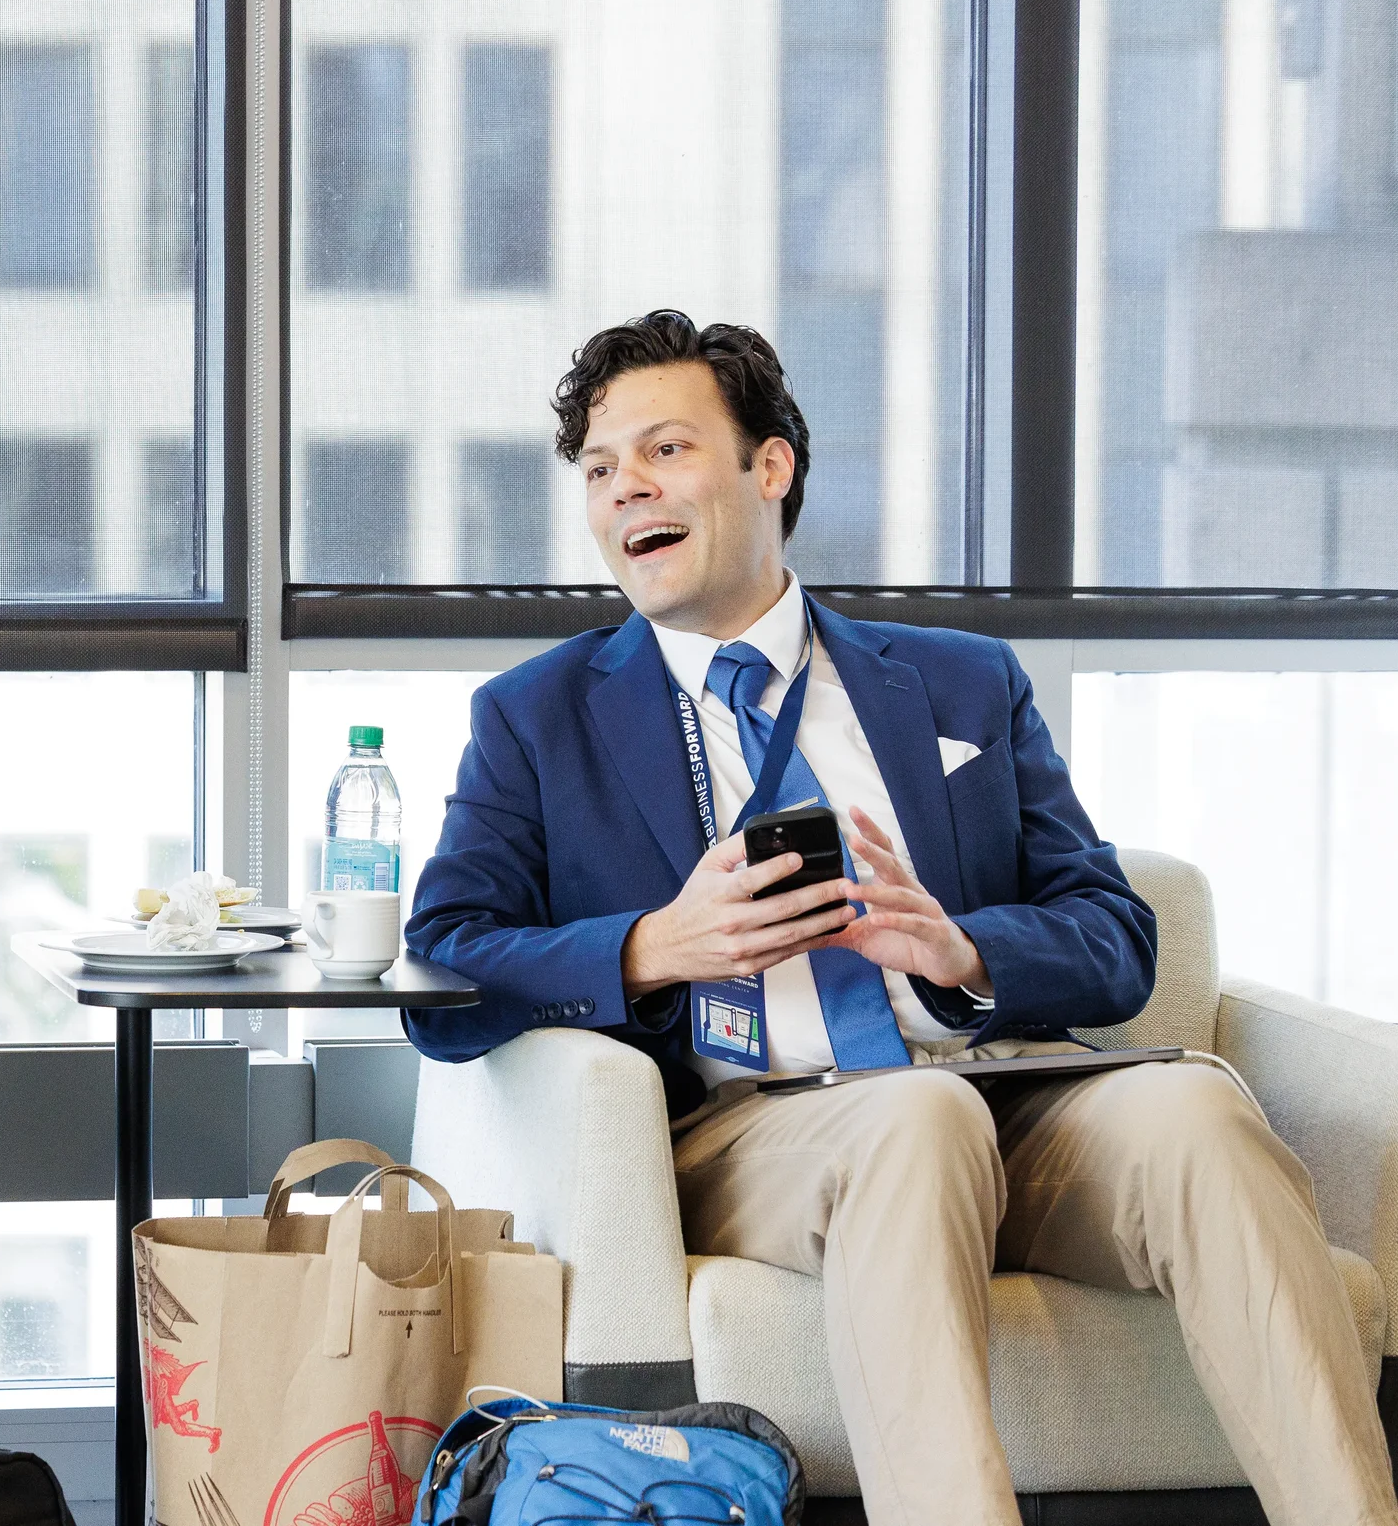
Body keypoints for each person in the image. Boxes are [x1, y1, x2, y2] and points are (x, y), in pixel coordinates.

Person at [403, 310, 1398, 1526]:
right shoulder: (538, 715)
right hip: (757, 1134)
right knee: (914, 1118)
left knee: (1196, 1102)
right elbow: (443, 966)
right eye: (600, 470)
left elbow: (1115, 933)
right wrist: (658, 944)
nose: (623, 493)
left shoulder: (957, 680)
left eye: (663, 451)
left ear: (769, 467)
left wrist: (961, 947)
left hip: (1006, 1095)